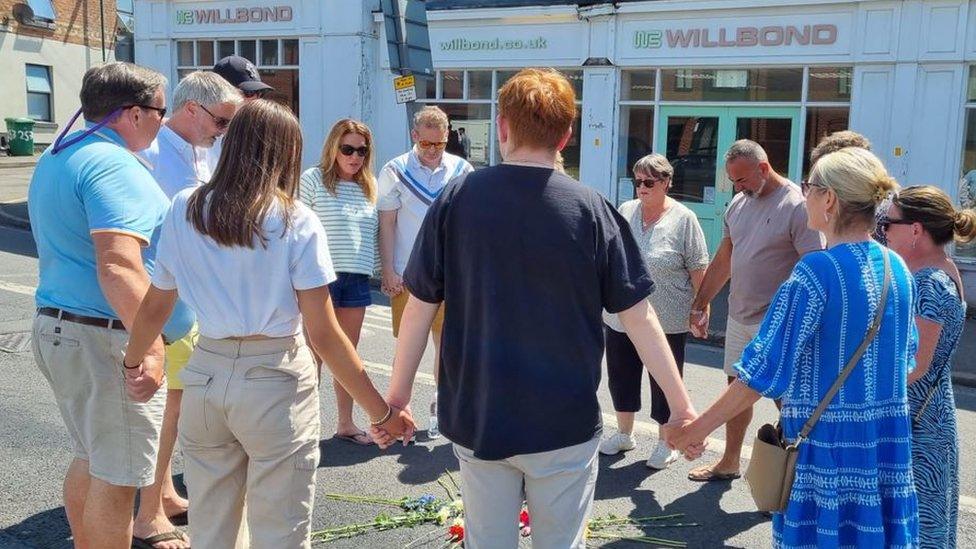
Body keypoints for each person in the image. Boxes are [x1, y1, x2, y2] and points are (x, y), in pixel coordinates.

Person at [375, 68, 700, 549]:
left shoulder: (457, 199)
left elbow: (420, 307)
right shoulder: (593, 210)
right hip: (563, 422)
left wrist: (396, 400)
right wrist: (681, 408)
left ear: (502, 127)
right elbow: (639, 317)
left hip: (479, 417)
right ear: (567, 134)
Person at [121, 100, 414, 549]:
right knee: (280, 530)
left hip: (206, 371)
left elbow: (157, 301)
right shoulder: (296, 220)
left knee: (212, 528)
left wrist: (133, 362)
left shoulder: (185, 207)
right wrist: (382, 413)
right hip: (275, 378)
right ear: (287, 154)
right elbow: (324, 335)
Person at [671, 147, 917, 547]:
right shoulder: (897, 268)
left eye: (811, 187)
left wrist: (692, 432)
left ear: (830, 200)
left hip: (828, 456)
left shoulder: (816, 273)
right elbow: (905, 362)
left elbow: (758, 376)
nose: (805, 195)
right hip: (883, 453)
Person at [27, 62, 176, 548]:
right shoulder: (114, 165)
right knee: (120, 475)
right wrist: (150, 348)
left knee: (92, 458)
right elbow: (118, 264)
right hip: (103, 335)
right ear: (132, 114)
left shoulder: (60, 153)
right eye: (159, 110)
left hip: (65, 328)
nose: (163, 120)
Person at [128, 69, 242, 547]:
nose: (225, 132)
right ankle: (147, 513)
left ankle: (165, 495)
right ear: (192, 109)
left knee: (177, 403)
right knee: (161, 409)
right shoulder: (148, 153)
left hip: (189, 301)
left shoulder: (203, 149)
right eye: (221, 122)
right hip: (162, 298)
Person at [686, 139, 824, 482]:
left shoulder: (797, 206)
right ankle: (730, 462)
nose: (738, 187)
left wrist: (795, 323)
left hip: (777, 323)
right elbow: (725, 257)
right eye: (733, 180)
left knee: (786, 403)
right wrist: (701, 302)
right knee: (736, 391)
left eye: (742, 179)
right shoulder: (738, 204)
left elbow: (815, 268)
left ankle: (793, 479)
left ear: (763, 168)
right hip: (739, 316)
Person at [599, 153, 709, 470]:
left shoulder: (684, 219)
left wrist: (701, 309)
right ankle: (624, 433)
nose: (642, 188)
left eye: (649, 182)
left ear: (666, 183)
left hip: (667, 317)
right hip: (622, 316)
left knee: (663, 382)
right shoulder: (626, 211)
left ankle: (666, 442)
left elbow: (699, 269)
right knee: (621, 376)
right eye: (638, 182)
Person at [884, 185, 975, 548]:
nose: (883, 231)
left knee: (919, 526)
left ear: (916, 230)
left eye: (887, 224)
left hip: (918, 424)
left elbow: (915, 367)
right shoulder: (944, 268)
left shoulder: (929, 285)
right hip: (931, 413)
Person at [377, 105, 474, 437]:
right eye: (426, 144)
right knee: (407, 346)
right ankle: (397, 413)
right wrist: (388, 269)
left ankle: (440, 409)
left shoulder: (462, 169)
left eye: (439, 143)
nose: (433, 151)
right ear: (414, 136)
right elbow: (387, 223)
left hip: (450, 276)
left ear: (447, 137)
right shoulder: (395, 170)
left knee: (446, 347)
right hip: (409, 274)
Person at [299, 119, 379, 446]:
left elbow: (373, 236)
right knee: (312, 355)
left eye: (361, 150)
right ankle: (303, 428)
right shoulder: (314, 179)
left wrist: (382, 271)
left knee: (347, 355)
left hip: (357, 278)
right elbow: (297, 229)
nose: (354, 156)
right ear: (334, 147)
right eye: (347, 149)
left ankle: (345, 423)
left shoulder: (369, 186)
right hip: (320, 279)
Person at [207, 55, 275, 172]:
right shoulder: (199, 138)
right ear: (221, 93)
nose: (255, 100)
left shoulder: (258, 137)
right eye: (249, 93)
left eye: (259, 93)